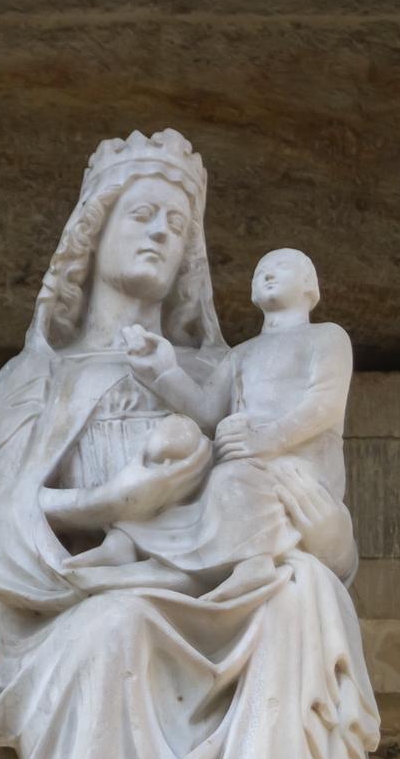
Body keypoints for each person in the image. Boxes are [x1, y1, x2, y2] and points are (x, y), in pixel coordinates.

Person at [0, 131, 379, 759]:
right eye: (140, 215)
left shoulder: (231, 377)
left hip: (229, 590)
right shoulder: (34, 381)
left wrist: (310, 518)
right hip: (88, 601)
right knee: (110, 629)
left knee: (302, 596)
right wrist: (116, 508)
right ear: (93, 237)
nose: (160, 234)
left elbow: (336, 548)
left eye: (177, 227)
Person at [65, 247, 352, 600]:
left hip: (297, 464)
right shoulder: (241, 353)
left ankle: (250, 565)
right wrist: (162, 370)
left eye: (281, 266)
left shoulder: (327, 337)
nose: (268, 273)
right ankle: (127, 543)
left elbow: (324, 405)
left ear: (310, 284)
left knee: (231, 479)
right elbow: (207, 410)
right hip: (243, 453)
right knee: (179, 460)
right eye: (261, 270)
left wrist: (267, 440)